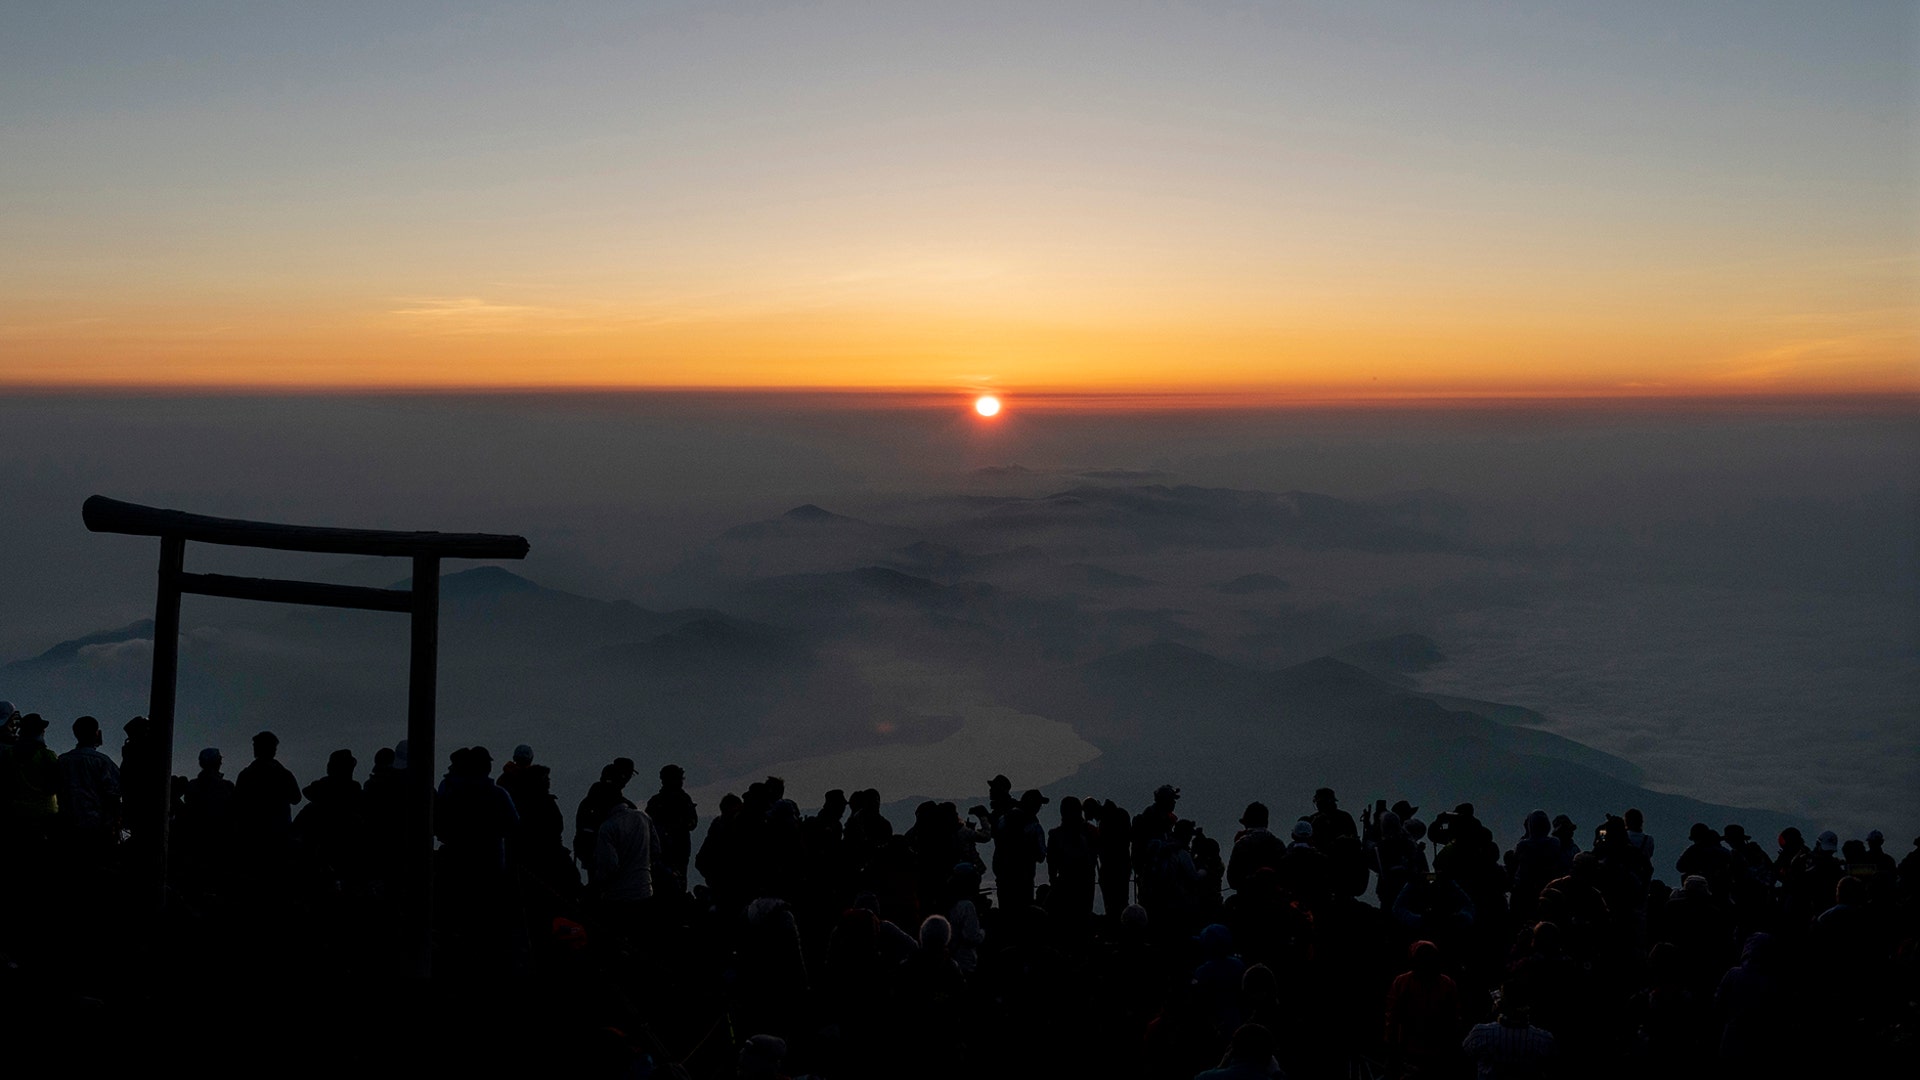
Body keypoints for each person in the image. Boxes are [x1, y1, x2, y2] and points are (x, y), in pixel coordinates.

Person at [56, 716, 121, 856]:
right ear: (96, 733)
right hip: (96, 826)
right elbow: (113, 794)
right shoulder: (103, 762)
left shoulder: (62, 760)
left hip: (67, 825)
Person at [1461, 984, 1553, 1078]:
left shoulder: (1481, 1033)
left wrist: (1490, 1017)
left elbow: (1466, 1051)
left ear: (1502, 1004)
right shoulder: (1543, 1039)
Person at [644, 763, 696, 895]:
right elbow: (692, 823)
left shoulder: (657, 801)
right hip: (671, 850)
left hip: (671, 850)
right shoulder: (682, 799)